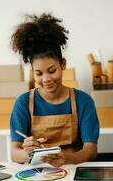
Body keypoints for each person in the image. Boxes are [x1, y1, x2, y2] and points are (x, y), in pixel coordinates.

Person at [10, 13, 99, 167]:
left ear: (63, 64)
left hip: (72, 171)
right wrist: (28, 152)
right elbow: (14, 153)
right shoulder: (23, 103)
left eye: (52, 71)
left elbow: (91, 151)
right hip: (38, 175)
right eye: (39, 73)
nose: (46, 79)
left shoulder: (83, 101)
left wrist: (66, 159)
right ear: (32, 71)